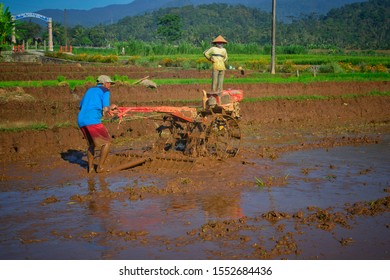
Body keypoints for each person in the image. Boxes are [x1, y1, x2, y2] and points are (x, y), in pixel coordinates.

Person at [77, 75, 117, 173]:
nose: (110, 86)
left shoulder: (89, 90)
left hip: (81, 120)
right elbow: (105, 108)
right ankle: (100, 167)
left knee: (91, 144)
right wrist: (112, 107)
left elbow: (80, 106)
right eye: (109, 84)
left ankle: (90, 168)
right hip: (92, 120)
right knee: (107, 142)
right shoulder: (105, 91)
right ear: (104, 83)